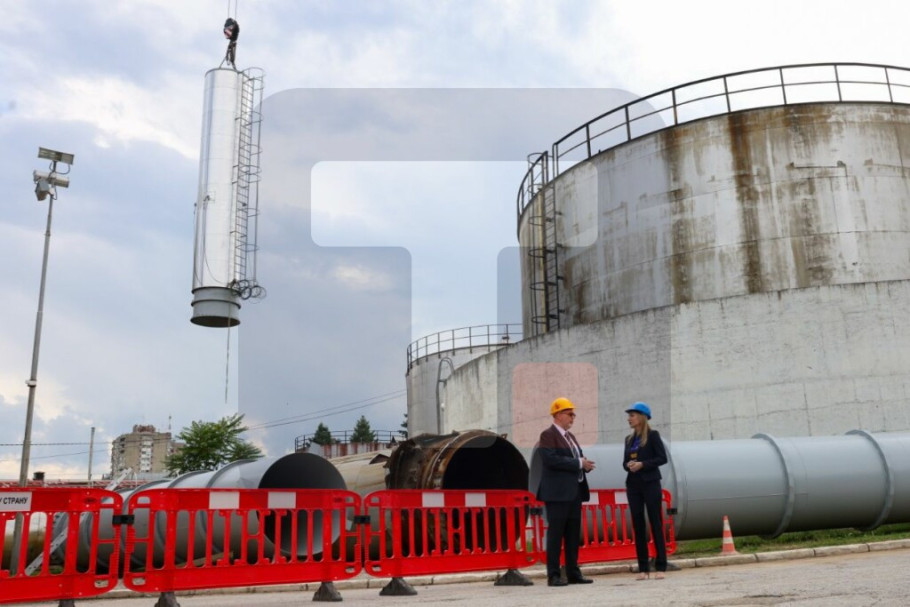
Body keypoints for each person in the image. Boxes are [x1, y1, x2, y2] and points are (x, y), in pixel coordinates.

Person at [536, 397, 596, 587]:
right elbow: (551, 459)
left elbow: (575, 459)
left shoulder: (570, 437)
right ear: (558, 415)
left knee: (572, 535)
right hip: (557, 493)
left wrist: (584, 464)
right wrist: (578, 463)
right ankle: (553, 575)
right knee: (555, 535)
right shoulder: (548, 435)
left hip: (574, 492)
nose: (573, 417)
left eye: (573, 414)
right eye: (570, 414)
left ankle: (573, 573)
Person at [622, 401, 669, 580]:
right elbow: (624, 462)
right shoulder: (629, 440)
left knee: (655, 522)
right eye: (629, 416)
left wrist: (643, 464)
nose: (629, 419)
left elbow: (662, 458)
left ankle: (661, 565)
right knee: (638, 524)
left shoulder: (653, 435)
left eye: (632, 415)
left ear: (641, 417)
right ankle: (643, 568)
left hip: (650, 483)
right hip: (633, 485)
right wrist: (629, 465)